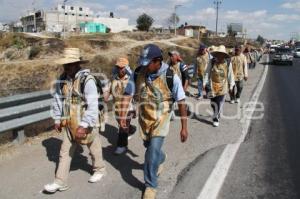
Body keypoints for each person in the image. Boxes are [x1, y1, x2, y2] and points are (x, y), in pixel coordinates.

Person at [120, 44, 188, 199]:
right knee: (149, 146)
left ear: (158, 61)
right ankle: (160, 157)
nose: (144, 66)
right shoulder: (138, 73)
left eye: (148, 63)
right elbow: (127, 94)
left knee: (151, 151)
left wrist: (184, 127)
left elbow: (182, 102)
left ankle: (150, 185)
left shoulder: (171, 76)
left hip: (161, 119)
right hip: (145, 118)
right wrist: (123, 117)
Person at [44, 48, 106, 193]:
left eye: (70, 64)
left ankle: (100, 169)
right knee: (64, 151)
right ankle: (60, 181)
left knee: (93, 146)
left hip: (87, 120)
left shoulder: (87, 80)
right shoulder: (63, 81)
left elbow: (93, 106)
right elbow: (59, 100)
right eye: (65, 65)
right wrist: (58, 118)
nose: (66, 67)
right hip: (69, 122)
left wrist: (84, 126)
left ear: (77, 64)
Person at [104, 57, 136, 155]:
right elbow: (108, 89)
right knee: (122, 124)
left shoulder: (131, 79)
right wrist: (105, 96)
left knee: (123, 126)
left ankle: (122, 146)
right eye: (118, 67)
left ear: (126, 68)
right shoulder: (114, 78)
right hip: (117, 107)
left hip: (128, 107)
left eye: (122, 68)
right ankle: (132, 129)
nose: (120, 70)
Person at [204, 45, 235, 127]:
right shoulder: (212, 61)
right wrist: (205, 83)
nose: (220, 56)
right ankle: (217, 112)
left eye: (222, 54)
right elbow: (207, 72)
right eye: (219, 54)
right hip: (212, 86)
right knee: (213, 103)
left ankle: (215, 118)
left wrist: (231, 86)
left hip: (223, 86)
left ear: (224, 55)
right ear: (217, 54)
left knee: (218, 102)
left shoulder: (228, 63)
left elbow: (230, 75)